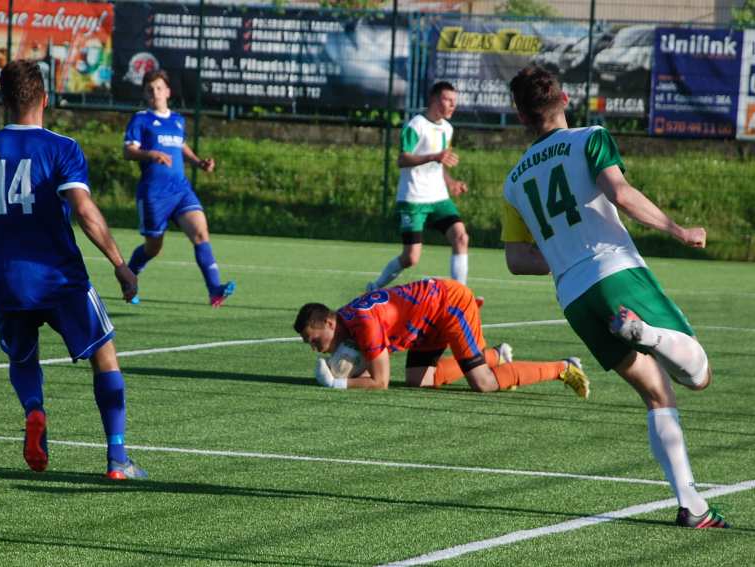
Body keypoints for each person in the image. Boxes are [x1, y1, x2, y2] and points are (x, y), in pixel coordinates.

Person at [502, 65, 727, 528]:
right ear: (564, 98)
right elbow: (620, 194)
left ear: (521, 115)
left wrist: (561, 251)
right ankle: (648, 333)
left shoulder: (513, 182)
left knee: (656, 391)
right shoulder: (590, 137)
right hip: (614, 273)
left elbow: (518, 260)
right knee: (698, 375)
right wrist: (678, 230)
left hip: (574, 298)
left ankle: (693, 505)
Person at [0, 60, 147, 480]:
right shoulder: (62, 147)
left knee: (23, 357)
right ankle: (117, 458)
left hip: (1, 276)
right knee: (104, 355)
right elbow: (84, 210)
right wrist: (120, 265)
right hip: (57, 275)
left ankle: (34, 410)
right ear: (45, 98)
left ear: (4, 101)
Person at [294, 278, 589, 397]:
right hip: (426, 322)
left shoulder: (363, 324)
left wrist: (338, 383)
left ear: (330, 322)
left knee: (483, 383)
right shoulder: (348, 321)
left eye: (315, 340)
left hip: (450, 305)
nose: (316, 349)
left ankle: (564, 367)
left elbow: (380, 381)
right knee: (419, 381)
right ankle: (493, 356)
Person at [122, 69, 235, 307]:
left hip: (181, 191)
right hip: (154, 194)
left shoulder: (177, 120)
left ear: (168, 92)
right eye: (150, 89)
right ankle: (128, 276)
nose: (155, 93)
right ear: (145, 94)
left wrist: (198, 162)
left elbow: (180, 146)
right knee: (153, 248)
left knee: (201, 234)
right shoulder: (140, 119)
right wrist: (151, 154)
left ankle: (215, 289)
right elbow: (128, 151)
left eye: (159, 88)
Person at [366, 81, 471, 294]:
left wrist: (451, 183)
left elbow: (440, 164)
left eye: (455, 101)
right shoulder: (416, 125)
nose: (453, 105)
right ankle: (375, 287)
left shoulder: (448, 128)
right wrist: (434, 156)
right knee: (411, 258)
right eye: (448, 100)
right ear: (433, 99)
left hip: (439, 198)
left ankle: (461, 296)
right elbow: (402, 159)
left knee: (461, 237)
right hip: (413, 199)